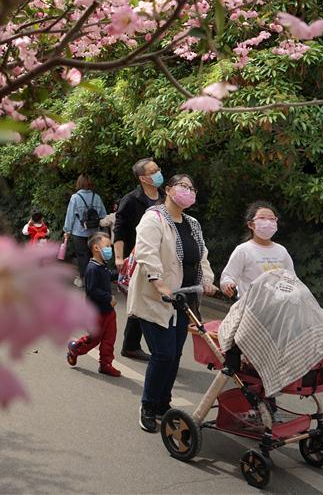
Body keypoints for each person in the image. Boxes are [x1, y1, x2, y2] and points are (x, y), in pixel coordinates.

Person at [127, 174, 218, 433]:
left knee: (175, 355)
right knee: (163, 353)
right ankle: (147, 405)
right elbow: (146, 253)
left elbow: (202, 257)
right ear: (168, 190)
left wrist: (208, 281)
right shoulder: (153, 218)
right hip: (156, 297)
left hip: (184, 299)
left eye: (192, 187)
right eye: (183, 186)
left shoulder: (192, 223)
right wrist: (159, 284)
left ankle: (162, 405)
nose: (188, 191)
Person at [115, 157, 165, 362]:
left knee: (148, 300)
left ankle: (131, 345)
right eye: (153, 171)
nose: (158, 173)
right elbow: (119, 230)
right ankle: (134, 345)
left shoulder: (164, 197)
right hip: (138, 258)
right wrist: (119, 258)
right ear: (143, 178)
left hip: (162, 255)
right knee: (141, 300)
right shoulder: (131, 200)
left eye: (158, 169)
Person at [66, 233, 121, 377]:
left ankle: (106, 364)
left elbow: (109, 276)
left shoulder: (102, 266)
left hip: (109, 311)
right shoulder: (92, 269)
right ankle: (75, 348)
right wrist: (108, 297)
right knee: (94, 339)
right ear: (96, 248)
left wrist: (122, 271)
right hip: (97, 312)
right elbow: (92, 291)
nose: (110, 249)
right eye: (108, 246)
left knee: (110, 338)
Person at [220, 201, 295, 300]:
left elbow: (292, 278)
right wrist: (228, 285)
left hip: (277, 309)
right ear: (251, 224)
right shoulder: (243, 250)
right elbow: (228, 276)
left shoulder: (282, 251)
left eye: (272, 219)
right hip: (250, 308)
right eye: (262, 218)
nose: (268, 222)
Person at [62, 175, 107, 287]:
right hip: (94, 233)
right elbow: (103, 215)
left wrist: (67, 230)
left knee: (82, 256)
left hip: (79, 232)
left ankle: (84, 280)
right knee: (95, 255)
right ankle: (97, 280)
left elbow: (70, 216)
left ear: (79, 183)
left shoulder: (75, 198)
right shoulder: (96, 197)